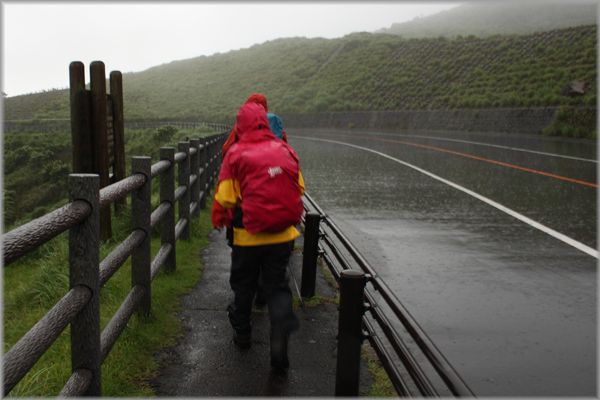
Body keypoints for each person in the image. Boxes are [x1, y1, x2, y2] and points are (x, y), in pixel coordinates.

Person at [211, 102, 305, 374]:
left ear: (240, 126)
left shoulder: (237, 154)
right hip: (282, 237)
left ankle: (242, 335)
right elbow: (299, 186)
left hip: (247, 238)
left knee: (243, 285)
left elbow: (227, 197)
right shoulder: (286, 149)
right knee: (278, 289)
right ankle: (279, 352)